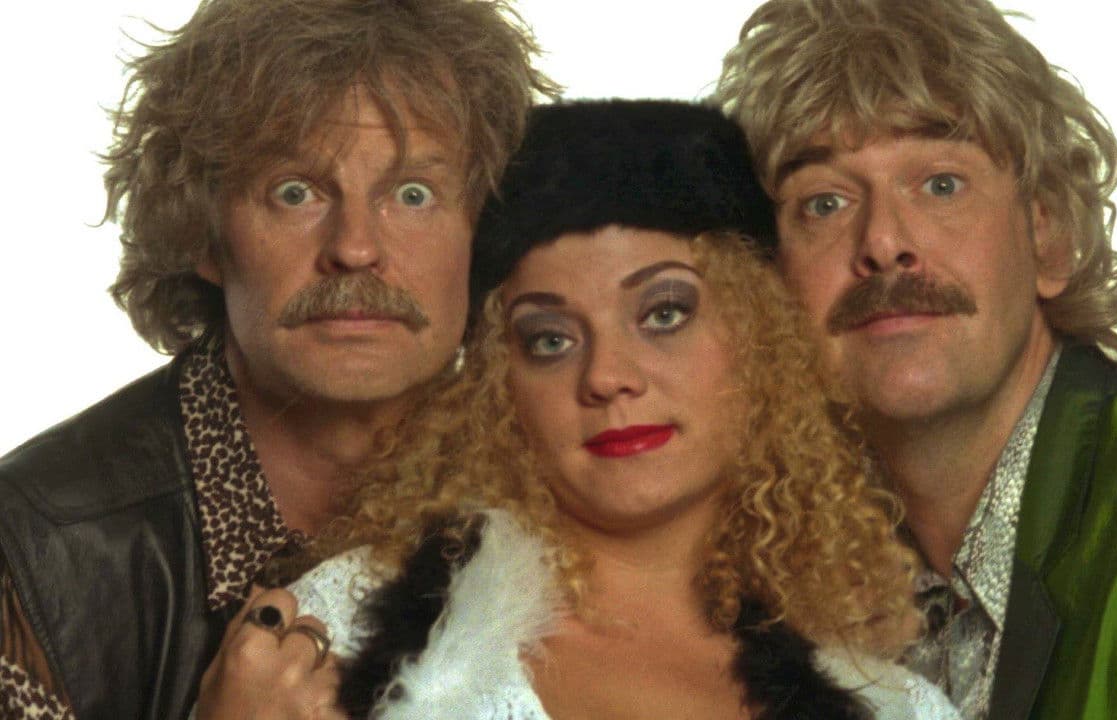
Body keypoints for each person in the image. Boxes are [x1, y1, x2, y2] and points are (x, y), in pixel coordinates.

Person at [219, 100, 962, 719]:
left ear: (761, 339)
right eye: (550, 339)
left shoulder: (895, 707)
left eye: (664, 314)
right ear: (498, 386)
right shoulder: (346, 630)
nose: (606, 377)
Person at [712, 1, 1117, 718]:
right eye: (825, 203)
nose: (883, 241)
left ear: (1048, 236)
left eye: (941, 184)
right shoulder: (759, 576)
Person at [0, 1, 555, 717]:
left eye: (413, 194)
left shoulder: (563, 481)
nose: (355, 247)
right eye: (296, 192)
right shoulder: (35, 550)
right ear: (204, 232)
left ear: (486, 235)